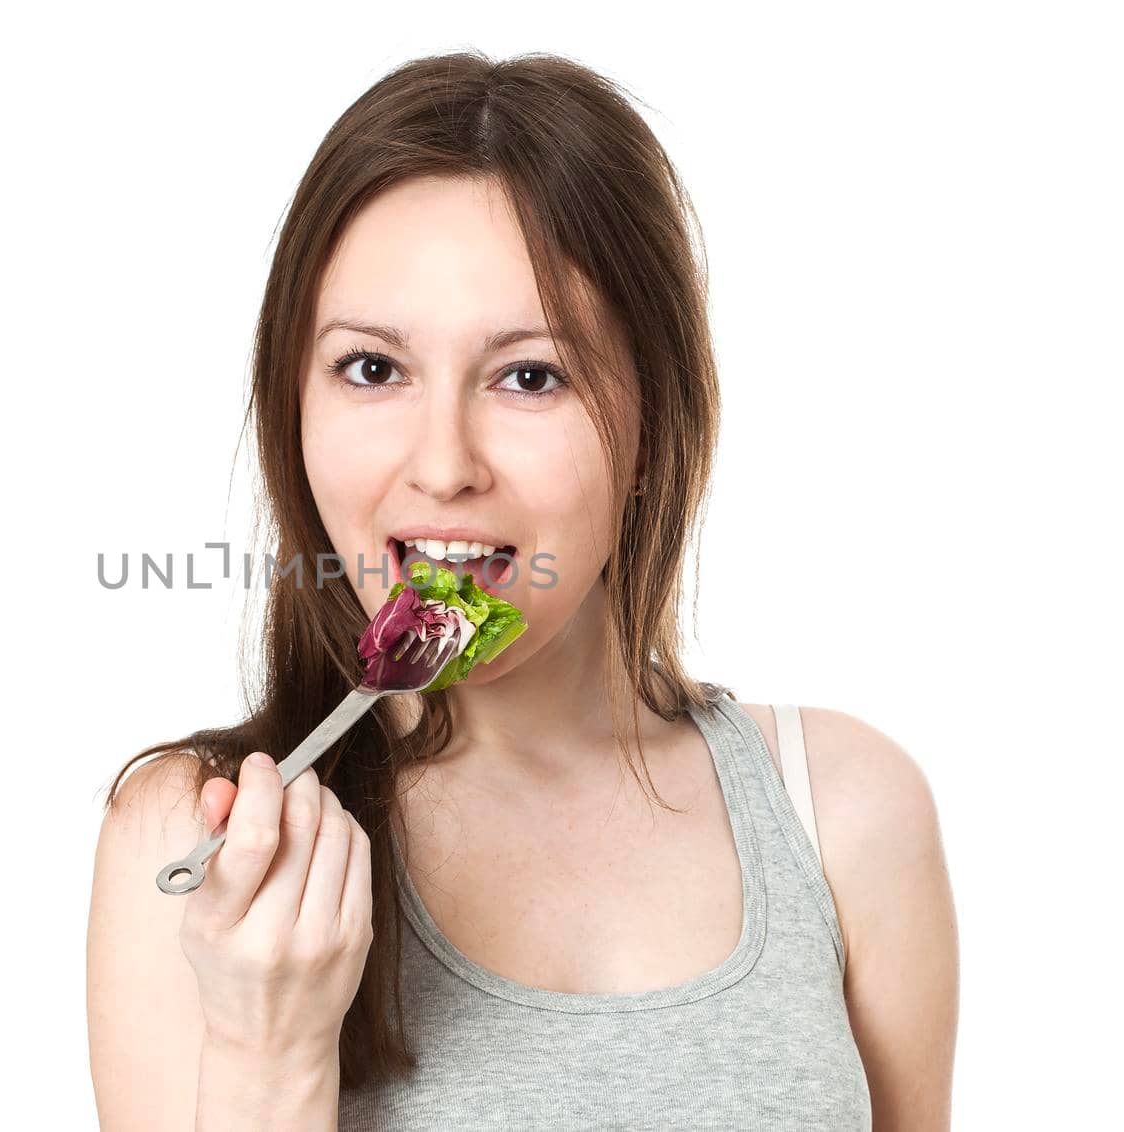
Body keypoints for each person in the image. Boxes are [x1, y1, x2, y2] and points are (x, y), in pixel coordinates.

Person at [87, 49, 958, 1131]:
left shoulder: (843, 815)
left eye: (529, 375)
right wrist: (264, 1054)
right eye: (371, 368)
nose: (443, 462)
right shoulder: (193, 847)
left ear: (653, 417)